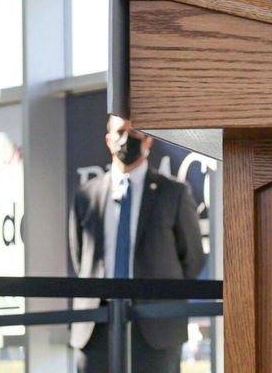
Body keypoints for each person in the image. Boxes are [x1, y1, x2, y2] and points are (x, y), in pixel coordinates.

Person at [68, 115, 205, 373]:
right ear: (108, 140)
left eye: (135, 133)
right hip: (96, 326)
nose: (126, 140)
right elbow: (79, 256)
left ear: (149, 140)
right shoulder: (86, 195)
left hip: (157, 327)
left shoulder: (173, 192)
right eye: (120, 132)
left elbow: (193, 258)